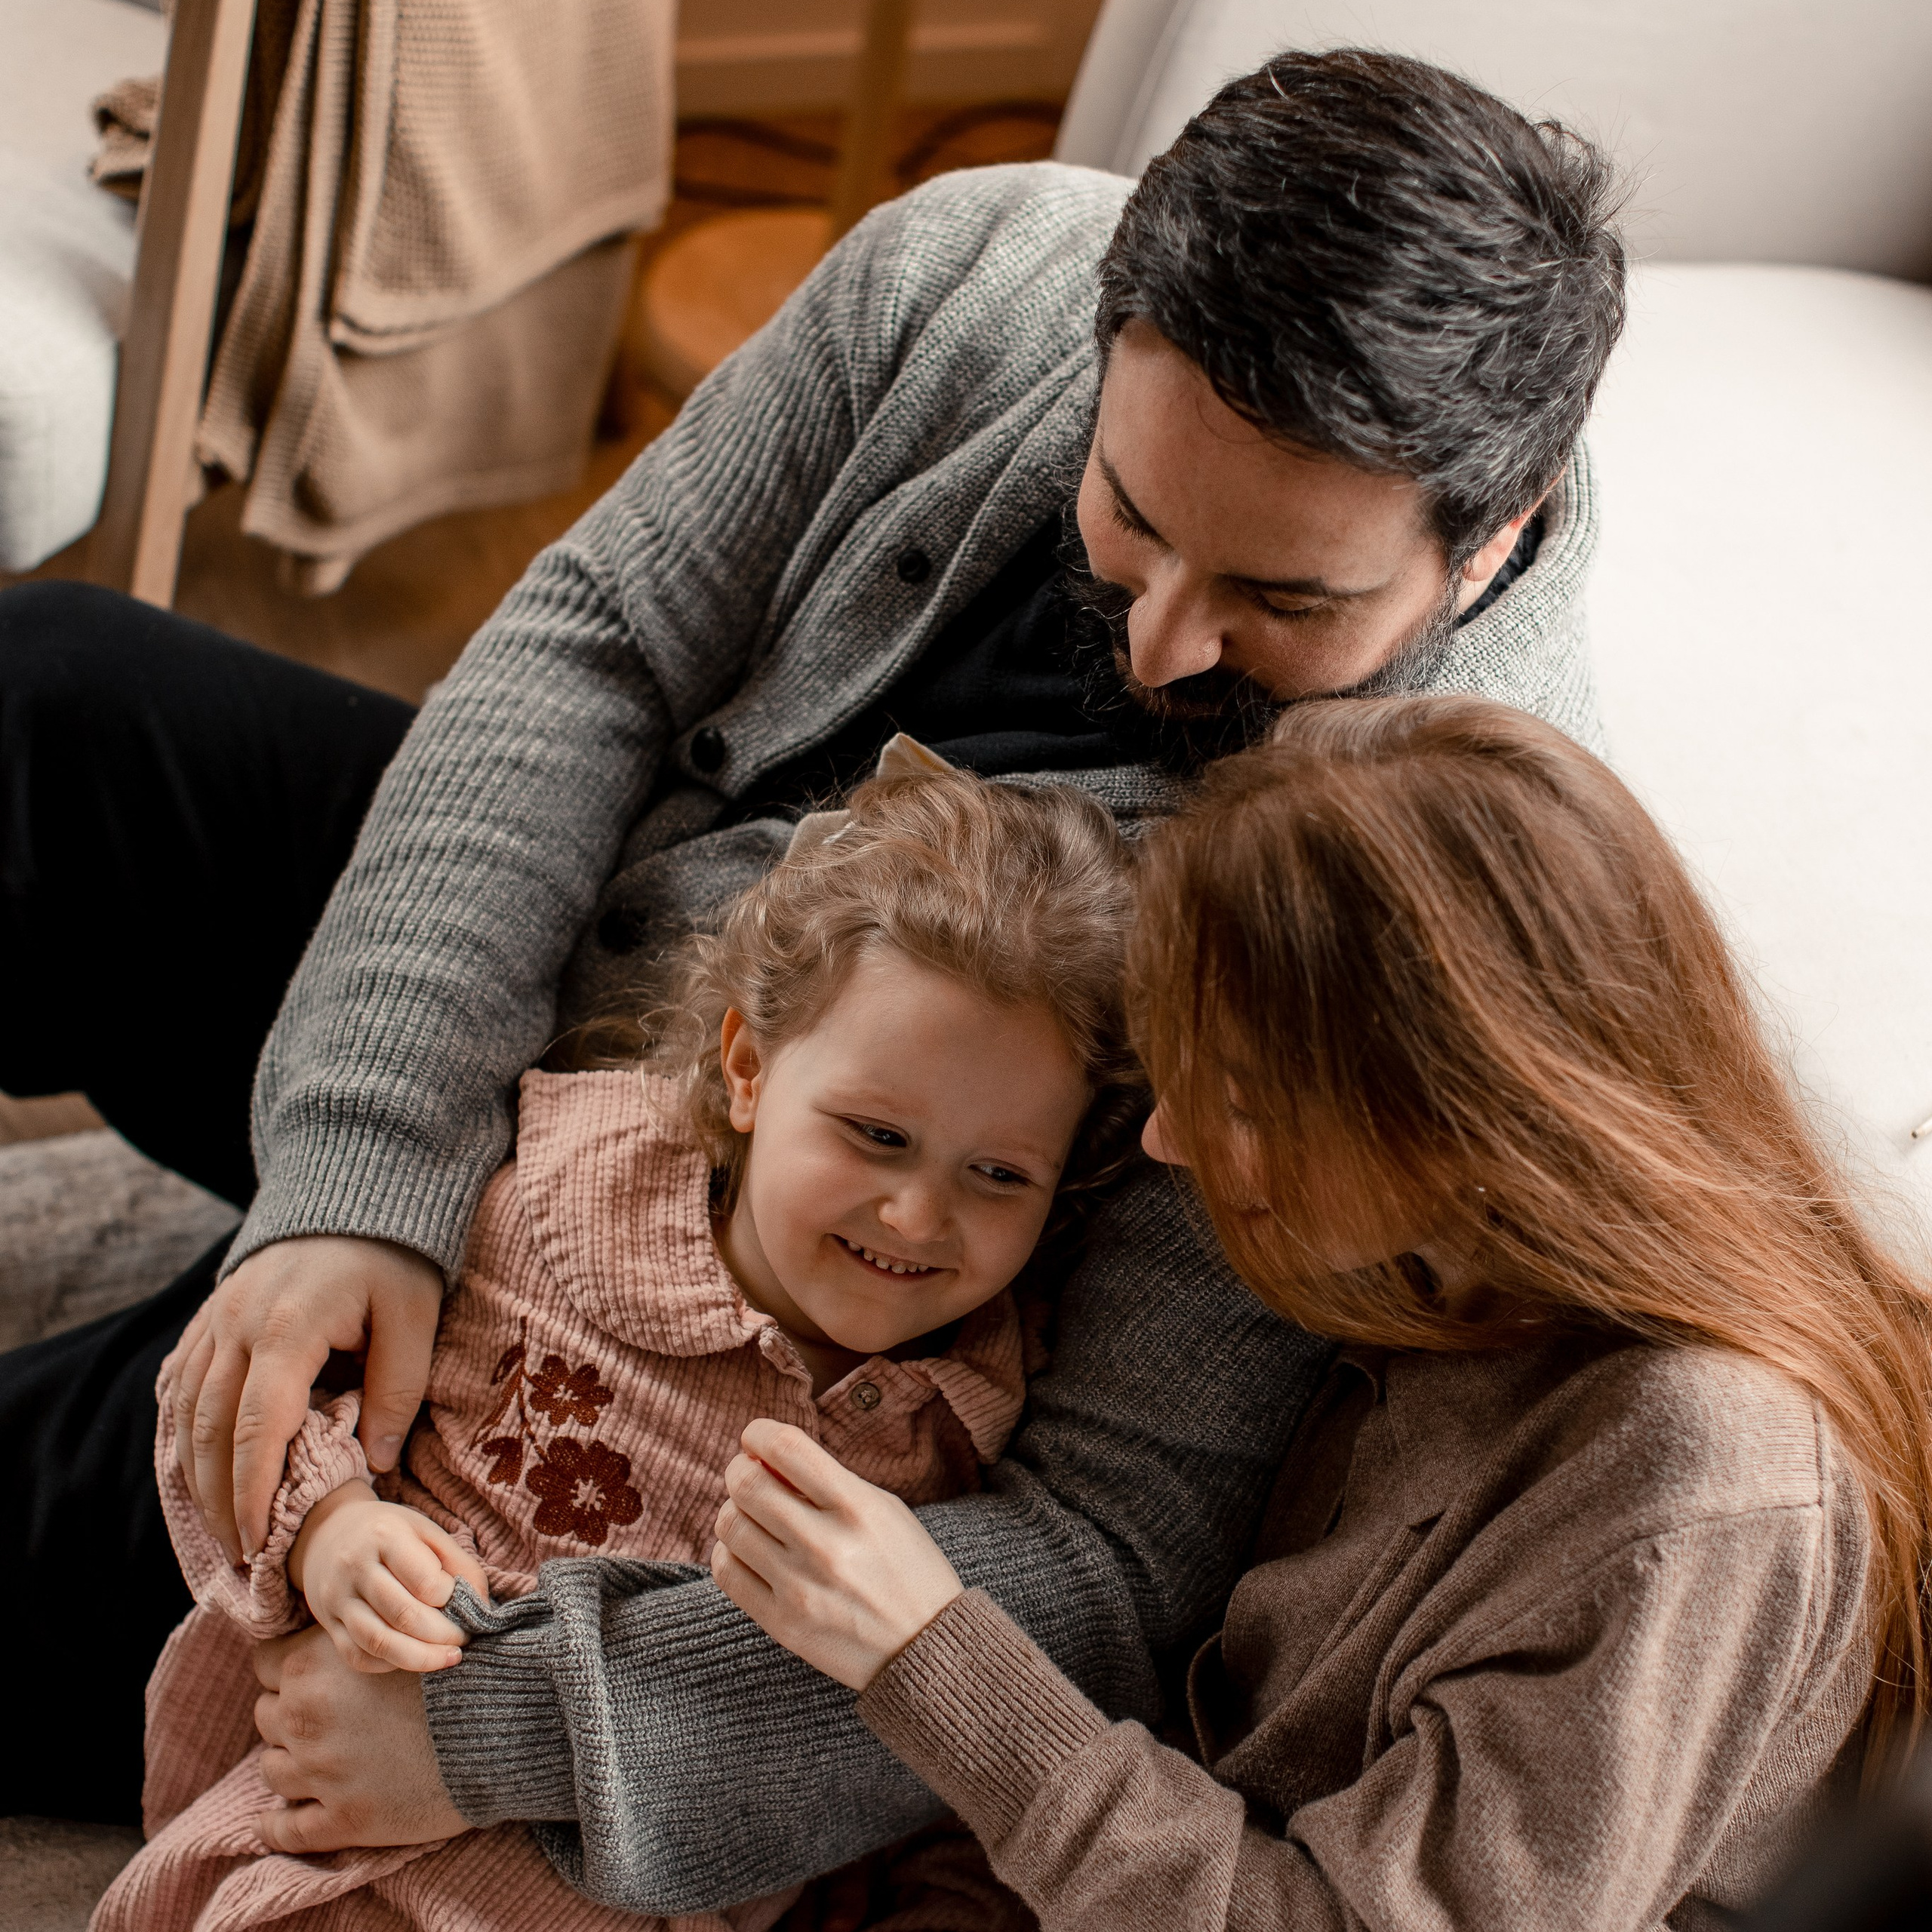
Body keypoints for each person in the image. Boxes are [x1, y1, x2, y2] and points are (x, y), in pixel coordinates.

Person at [0, 47, 1628, 1909]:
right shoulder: (979, 264)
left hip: (642, 1394)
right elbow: (599, 643)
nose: (1168, 643)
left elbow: (1111, 1544)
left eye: (1283, 600)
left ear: (1491, 537)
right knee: (47, 703)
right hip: (598, 991)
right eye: (1130, 510)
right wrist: (363, 1173)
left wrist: (516, 1713)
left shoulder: (1423, 883)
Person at [712, 693, 1932, 1928]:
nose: (1167, 1143)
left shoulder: (1696, 1478)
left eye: (1240, 1100)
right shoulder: (1417, 1286)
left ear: (1474, 1111)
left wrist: (939, 1662)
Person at [100, 762, 1128, 1931]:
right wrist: (332, 1527)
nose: (917, 1218)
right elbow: (229, 1396)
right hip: (333, 1860)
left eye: (999, 1174)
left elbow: (913, 1758)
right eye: (876, 1134)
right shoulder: (550, 1206)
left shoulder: (962, 1430)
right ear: (746, 1067)